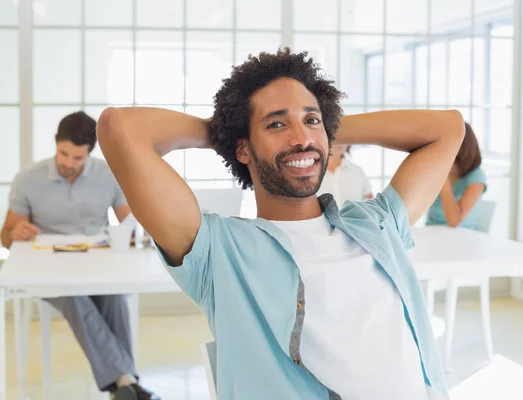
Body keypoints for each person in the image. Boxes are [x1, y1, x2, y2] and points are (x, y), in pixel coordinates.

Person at [97, 49, 465, 400]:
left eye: (311, 120)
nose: (301, 137)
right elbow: (121, 127)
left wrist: (321, 126)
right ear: (243, 150)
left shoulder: (376, 224)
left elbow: (449, 129)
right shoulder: (219, 250)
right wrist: (227, 133)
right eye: (276, 124)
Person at [0, 111, 159, 400]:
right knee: (74, 294)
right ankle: (126, 382)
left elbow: (131, 226)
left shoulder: (107, 175)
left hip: (95, 264)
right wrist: (17, 231)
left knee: (113, 294)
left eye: (77, 158)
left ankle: (122, 386)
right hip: (48, 269)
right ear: (55, 143)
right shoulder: (28, 179)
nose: (67, 163)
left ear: (89, 153)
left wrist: (139, 228)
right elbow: (6, 236)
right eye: (63, 154)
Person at [426, 122, 487, 229]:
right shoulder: (435, 171)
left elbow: (454, 221)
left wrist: (443, 178)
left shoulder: (476, 176)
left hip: (461, 236)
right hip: (431, 232)